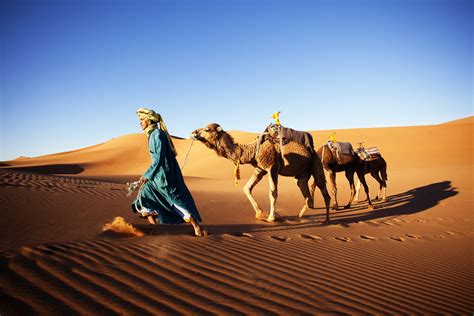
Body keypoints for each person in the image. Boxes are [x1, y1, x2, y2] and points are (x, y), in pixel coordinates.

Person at [132, 108, 204, 237]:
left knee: (173, 200)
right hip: (159, 174)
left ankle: (195, 226)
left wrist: (148, 174)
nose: (140, 122)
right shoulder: (152, 134)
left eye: (142, 119)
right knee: (145, 196)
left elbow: (159, 158)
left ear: (149, 120)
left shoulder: (157, 134)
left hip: (164, 175)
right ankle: (155, 228)